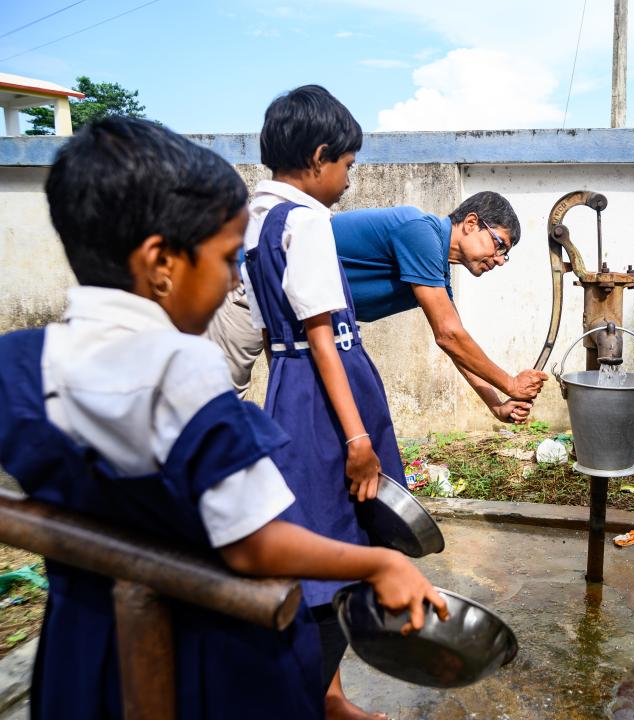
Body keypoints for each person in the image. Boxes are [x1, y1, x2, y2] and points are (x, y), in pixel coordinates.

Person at [0, 116, 447, 720]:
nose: (238, 277)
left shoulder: (18, 361)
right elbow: (255, 545)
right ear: (161, 262)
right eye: (228, 256)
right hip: (195, 660)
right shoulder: (181, 371)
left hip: (80, 650)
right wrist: (380, 561)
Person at [240, 85, 409, 720]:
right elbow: (319, 334)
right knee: (341, 550)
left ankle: (330, 699)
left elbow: (266, 332)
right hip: (326, 394)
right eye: (347, 165)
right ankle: (306, 699)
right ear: (318, 157)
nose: (348, 180)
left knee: (312, 536)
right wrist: (358, 439)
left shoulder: (253, 220)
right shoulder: (307, 219)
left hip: (288, 390)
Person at [208, 193, 548, 421]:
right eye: (499, 245)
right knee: (216, 405)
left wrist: (495, 404)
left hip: (299, 318)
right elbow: (449, 335)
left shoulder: (435, 272)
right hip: (249, 289)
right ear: (471, 223)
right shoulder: (420, 232)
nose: (500, 260)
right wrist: (510, 384)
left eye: (506, 253)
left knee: (311, 419)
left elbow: (455, 345)